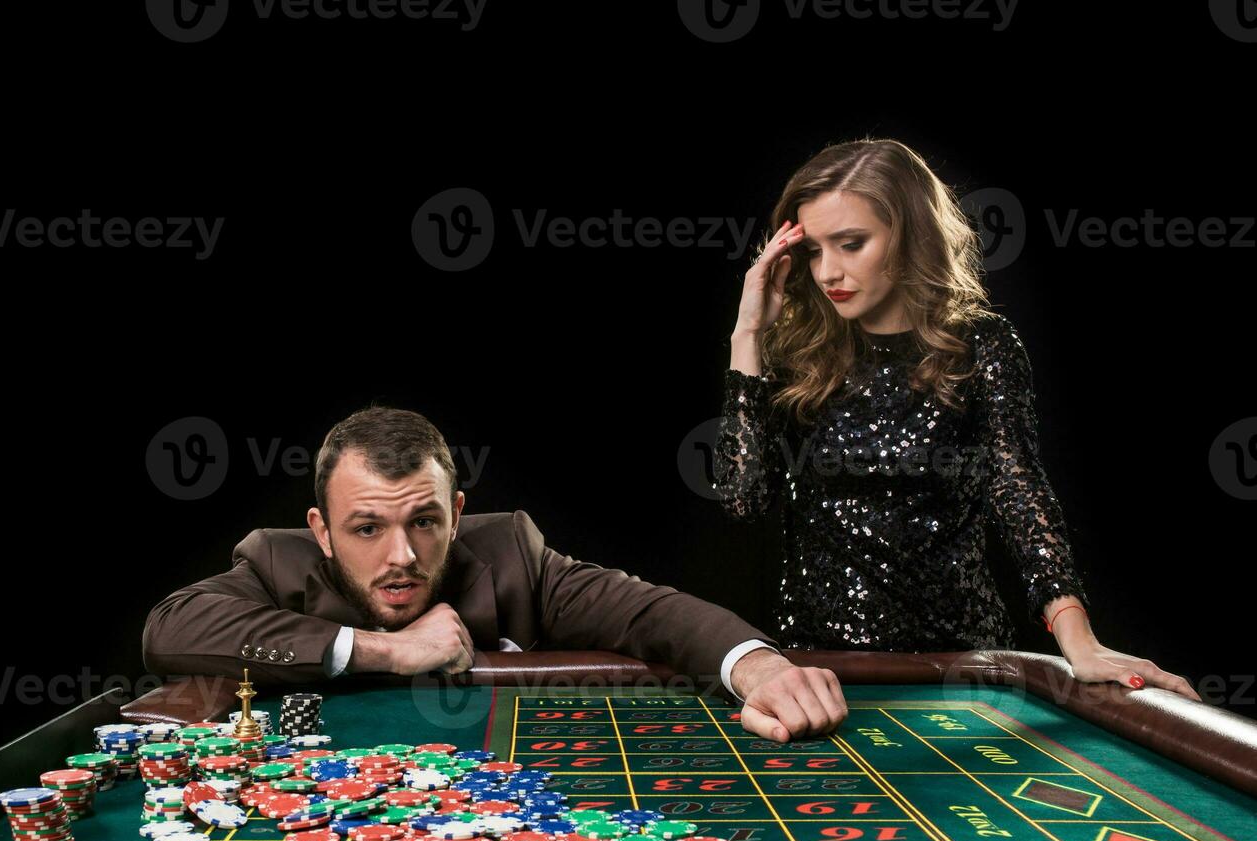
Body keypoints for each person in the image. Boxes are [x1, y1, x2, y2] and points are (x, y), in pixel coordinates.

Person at [713, 137, 1198, 701]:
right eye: (815, 250)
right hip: (820, 667)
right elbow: (743, 500)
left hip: (963, 666)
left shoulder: (982, 345)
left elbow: (1020, 492)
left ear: (909, 236)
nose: (828, 271)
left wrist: (1080, 641)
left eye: (851, 244)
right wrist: (747, 336)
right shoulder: (799, 352)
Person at [143, 406, 849, 741]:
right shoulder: (275, 560)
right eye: (366, 529)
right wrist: (387, 651)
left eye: (424, 522)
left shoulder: (510, 553)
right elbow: (170, 628)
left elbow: (646, 612)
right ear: (321, 531)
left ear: (456, 512)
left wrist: (757, 667)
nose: (401, 556)